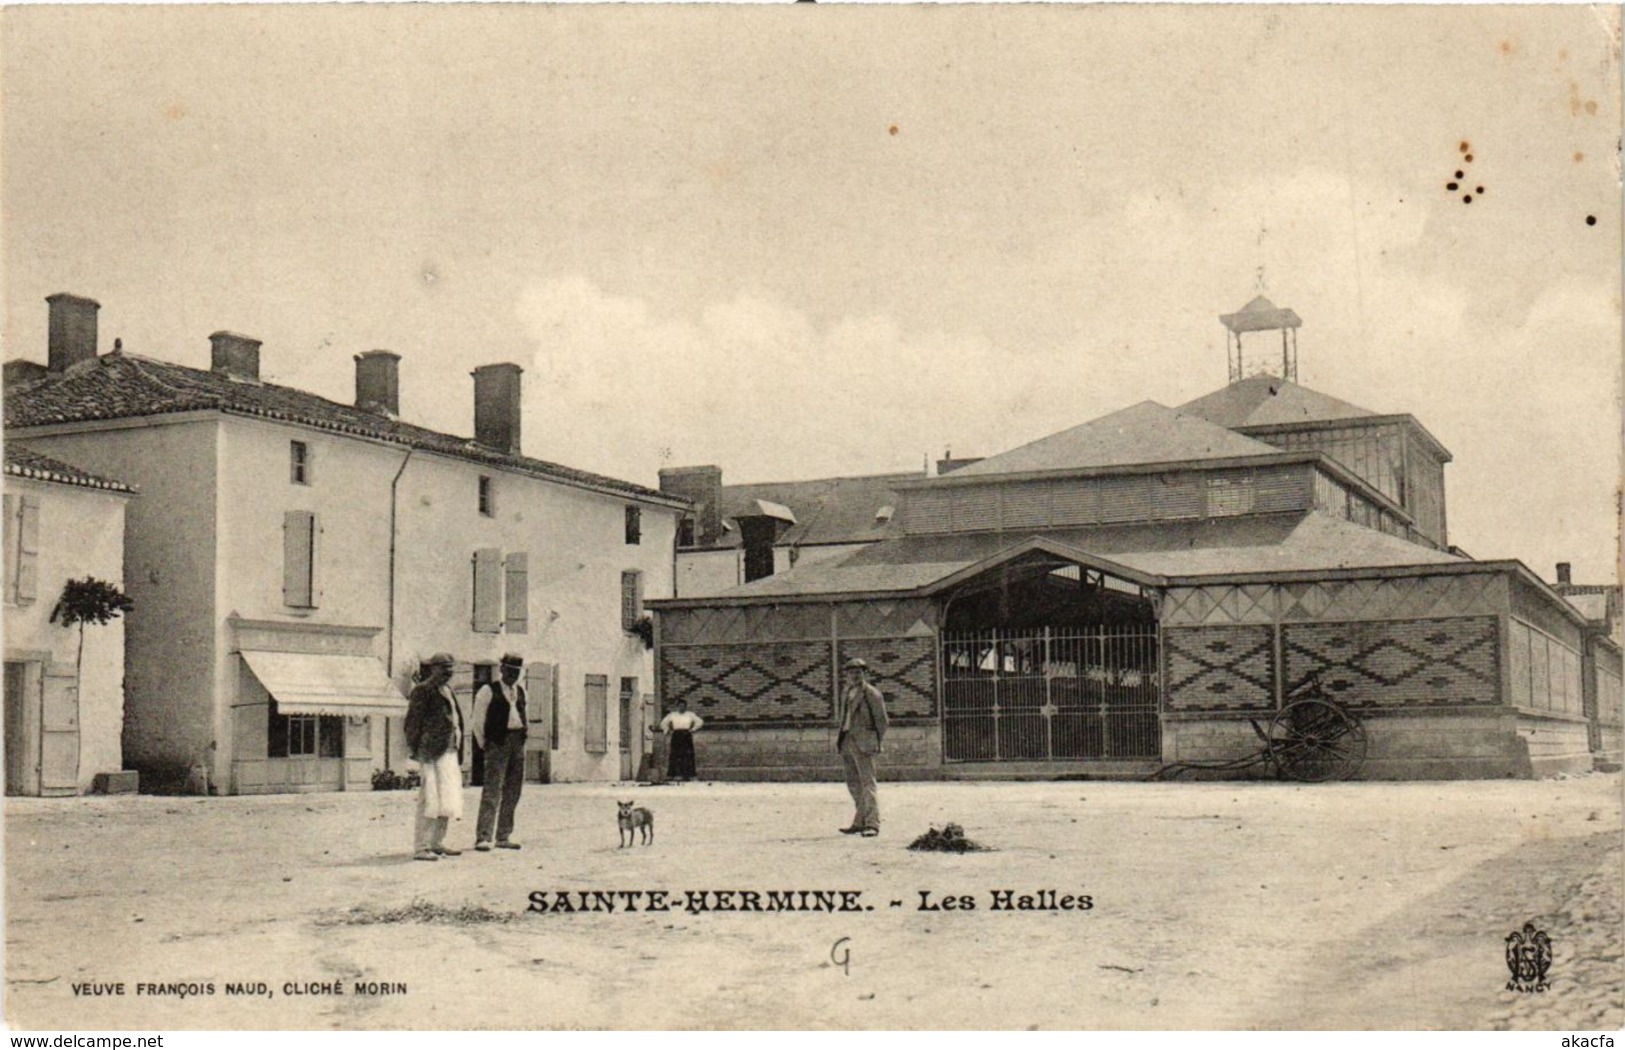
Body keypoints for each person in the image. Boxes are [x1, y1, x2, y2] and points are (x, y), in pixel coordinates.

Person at [403, 652, 465, 861]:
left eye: (451, 669)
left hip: (449, 751)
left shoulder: (448, 690)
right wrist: (416, 751)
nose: (448, 673)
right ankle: (421, 847)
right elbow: (412, 724)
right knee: (429, 800)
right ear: (433, 669)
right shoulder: (422, 691)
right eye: (443, 668)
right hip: (430, 752)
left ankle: (437, 843)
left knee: (447, 799)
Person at [472, 653, 528, 851]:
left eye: (517, 672)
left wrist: (522, 740)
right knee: (492, 790)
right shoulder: (487, 691)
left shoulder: (521, 691)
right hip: (497, 743)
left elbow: (523, 716)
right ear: (502, 669)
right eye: (510, 671)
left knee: (513, 791)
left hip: (517, 743)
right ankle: (484, 836)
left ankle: (504, 835)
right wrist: (485, 745)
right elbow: (477, 722)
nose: (513, 675)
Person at [836, 658, 888, 837]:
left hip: (865, 743)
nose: (854, 675)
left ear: (865, 674)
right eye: (851, 672)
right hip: (847, 740)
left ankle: (873, 823)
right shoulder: (846, 692)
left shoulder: (872, 694)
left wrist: (876, 742)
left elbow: (882, 721)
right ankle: (859, 821)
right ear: (847, 675)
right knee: (853, 783)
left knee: (868, 783)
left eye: (858, 672)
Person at [658, 698, 704, 782]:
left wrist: (693, 729)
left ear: (686, 707)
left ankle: (689, 775)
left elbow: (700, 722)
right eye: (680, 706)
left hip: (686, 735)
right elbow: (663, 723)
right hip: (676, 735)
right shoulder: (673, 715)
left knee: (688, 755)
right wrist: (667, 730)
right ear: (677, 706)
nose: (681, 708)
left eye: (683, 706)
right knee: (675, 754)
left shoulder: (690, 715)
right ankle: (673, 774)